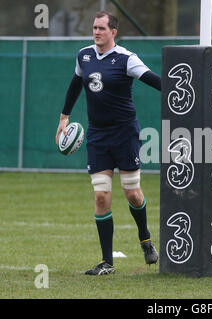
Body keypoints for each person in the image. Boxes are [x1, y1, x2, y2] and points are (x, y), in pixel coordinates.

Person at [55, 11, 161, 275]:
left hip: (125, 134)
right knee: (101, 196)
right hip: (98, 135)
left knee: (132, 192)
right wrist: (64, 117)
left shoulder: (126, 59)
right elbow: (75, 84)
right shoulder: (84, 55)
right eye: (94, 28)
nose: (96, 32)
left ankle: (145, 237)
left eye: (102, 28)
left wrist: (181, 88)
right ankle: (107, 262)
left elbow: (153, 80)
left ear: (114, 32)